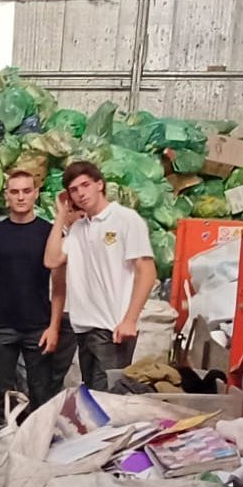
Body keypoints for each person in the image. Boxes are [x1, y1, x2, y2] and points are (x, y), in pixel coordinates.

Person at [43, 160, 157, 390]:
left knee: (110, 397)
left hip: (113, 328)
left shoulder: (125, 219)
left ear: (100, 184)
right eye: (74, 190)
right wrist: (61, 216)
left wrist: (130, 320)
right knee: (92, 397)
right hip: (84, 327)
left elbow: (147, 271)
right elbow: (52, 259)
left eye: (85, 185)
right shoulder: (78, 228)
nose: (80, 193)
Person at [0, 170, 69, 415]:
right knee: (3, 392)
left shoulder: (49, 233)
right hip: (1, 325)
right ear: (6, 196)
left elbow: (59, 286)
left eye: (26, 191)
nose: (20, 197)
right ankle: (4, 440)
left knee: (41, 391)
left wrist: (54, 326)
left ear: (36, 194)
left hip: (38, 325)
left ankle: (38, 443)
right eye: (14, 192)